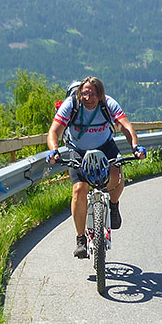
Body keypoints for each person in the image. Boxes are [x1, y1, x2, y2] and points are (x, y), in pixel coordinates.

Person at [47, 76, 146, 258]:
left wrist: (135, 147)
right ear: (79, 93)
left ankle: (113, 206)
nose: (88, 97)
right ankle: (80, 239)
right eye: (84, 93)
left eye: (92, 94)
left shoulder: (108, 104)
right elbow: (54, 130)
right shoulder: (71, 105)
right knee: (79, 190)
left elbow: (126, 126)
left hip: (105, 146)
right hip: (78, 150)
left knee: (116, 174)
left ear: (100, 95)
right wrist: (54, 151)